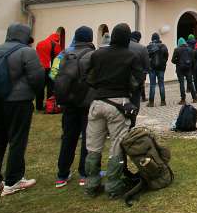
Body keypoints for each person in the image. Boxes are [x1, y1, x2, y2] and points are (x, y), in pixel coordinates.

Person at [0, 23, 45, 197]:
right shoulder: (27, 52)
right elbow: (38, 77)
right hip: (18, 102)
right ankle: (13, 180)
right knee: (17, 139)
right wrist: (33, 92)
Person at [84, 23, 143, 198]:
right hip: (118, 103)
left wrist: (100, 86)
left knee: (93, 146)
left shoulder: (97, 54)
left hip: (97, 102)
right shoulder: (130, 56)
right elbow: (137, 81)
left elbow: (88, 76)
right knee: (116, 145)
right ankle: (113, 186)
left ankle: (91, 185)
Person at [55, 26, 94, 188]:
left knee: (68, 138)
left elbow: (53, 74)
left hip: (68, 103)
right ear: (90, 38)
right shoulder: (93, 55)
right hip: (86, 102)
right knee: (88, 138)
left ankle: (62, 174)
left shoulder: (63, 55)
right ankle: (84, 173)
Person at [35, 30, 62, 111]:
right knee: (50, 88)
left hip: (39, 68)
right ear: (57, 39)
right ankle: (49, 106)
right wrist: (57, 70)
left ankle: (38, 106)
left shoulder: (40, 43)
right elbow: (58, 58)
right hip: (50, 68)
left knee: (40, 88)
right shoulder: (56, 45)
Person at [128, 31, 150, 115]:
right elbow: (147, 66)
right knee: (135, 102)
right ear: (138, 38)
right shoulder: (142, 48)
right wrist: (143, 75)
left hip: (123, 79)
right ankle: (132, 120)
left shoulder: (123, 46)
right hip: (137, 81)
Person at [146, 33, 169, 107]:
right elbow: (166, 56)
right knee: (161, 84)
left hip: (152, 68)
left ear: (152, 39)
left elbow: (146, 58)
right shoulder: (163, 46)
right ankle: (163, 101)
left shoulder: (149, 47)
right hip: (161, 68)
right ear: (159, 38)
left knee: (152, 85)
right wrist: (164, 63)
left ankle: (151, 102)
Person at [171, 37, 195, 104]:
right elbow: (193, 60)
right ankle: (195, 98)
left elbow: (173, 60)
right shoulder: (190, 49)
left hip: (180, 69)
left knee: (181, 84)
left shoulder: (177, 49)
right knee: (190, 83)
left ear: (179, 43)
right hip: (188, 68)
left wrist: (178, 62)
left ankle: (183, 99)